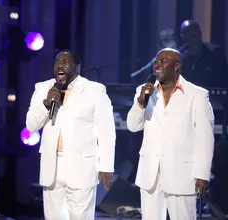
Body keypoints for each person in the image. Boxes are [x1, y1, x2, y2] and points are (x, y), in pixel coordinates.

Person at [26, 49, 116, 220]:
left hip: (82, 166)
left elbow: (107, 131)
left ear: (78, 67)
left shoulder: (95, 91)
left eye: (66, 62)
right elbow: (31, 125)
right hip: (52, 168)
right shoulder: (43, 88)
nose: (60, 65)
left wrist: (106, 166)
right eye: (57, 62)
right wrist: (46, 103)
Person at [127, 48, 214, 219]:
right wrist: (140, 103)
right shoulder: (144, 91)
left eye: (163, 61)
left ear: (176, 66)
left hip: (182, 173)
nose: (157, 64)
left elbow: (205, 139)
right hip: (150, 173)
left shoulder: (197, 95)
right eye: (156, 61)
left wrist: (202, 175)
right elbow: (132, 126)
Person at [180, 19, 228, 88]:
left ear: (200, 33)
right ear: (182, 36)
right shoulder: (178, 55)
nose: (194, 36)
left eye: (195, 33)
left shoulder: (215, 53)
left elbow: (223, 80)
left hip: (210, 97)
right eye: (188, 33)